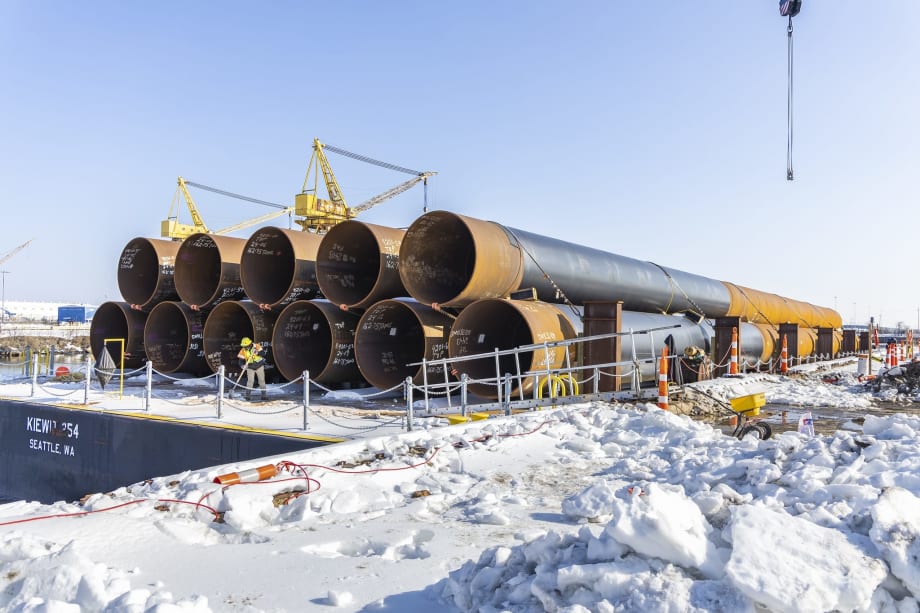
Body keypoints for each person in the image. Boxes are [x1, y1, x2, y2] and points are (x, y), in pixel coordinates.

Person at [237, 337, 267, 401]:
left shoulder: (257, 346)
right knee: (250, 382)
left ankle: (264, 396)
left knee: (261, 381)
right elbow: (240, 360)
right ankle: (247, 396)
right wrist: (242, 365)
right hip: (250, 367)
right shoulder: (243, 350)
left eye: (246, 346)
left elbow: (263, 354)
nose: (245, 347)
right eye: (244, 346)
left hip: (259, 366)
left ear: (250, 344)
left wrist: (257, 353)